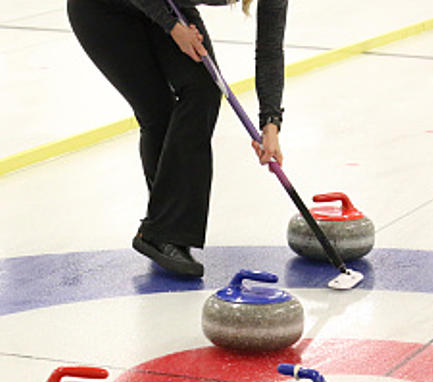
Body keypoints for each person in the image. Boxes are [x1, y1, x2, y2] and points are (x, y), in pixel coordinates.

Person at [67, 0, 287, 277]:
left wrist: (270, 123)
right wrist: (171, 27)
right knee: (157, 111)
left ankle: (164, 229)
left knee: (204, 89)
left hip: (170, 7)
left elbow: (269, 49)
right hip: (103, 11)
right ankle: (162, 233)